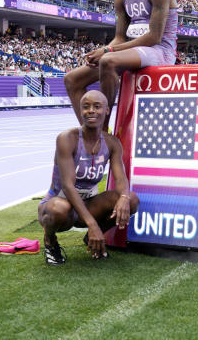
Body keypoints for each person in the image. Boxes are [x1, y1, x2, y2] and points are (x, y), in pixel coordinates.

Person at [63, 0, 178, 128]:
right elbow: (120, 36)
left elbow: (154, 37)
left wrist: (108, 52)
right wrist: (104, 49)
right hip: (133, 49)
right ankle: (92, 130)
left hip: (159, 50)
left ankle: (102, 130)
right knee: (72, 79)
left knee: (108, 61)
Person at [37, 90, 139, 265]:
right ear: (80, 110)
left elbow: (121, 179)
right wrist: (92, 224)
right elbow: (68, 186)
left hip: (87, 204)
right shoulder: (67, 138)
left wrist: (124, 196)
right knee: (59, 208)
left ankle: (91, 239)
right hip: (58, 205)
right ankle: (50, 240)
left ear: (107, 110)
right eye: (86, 107)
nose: (91, 110)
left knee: (131, 200)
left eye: (97, 106)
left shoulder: (111, 142)